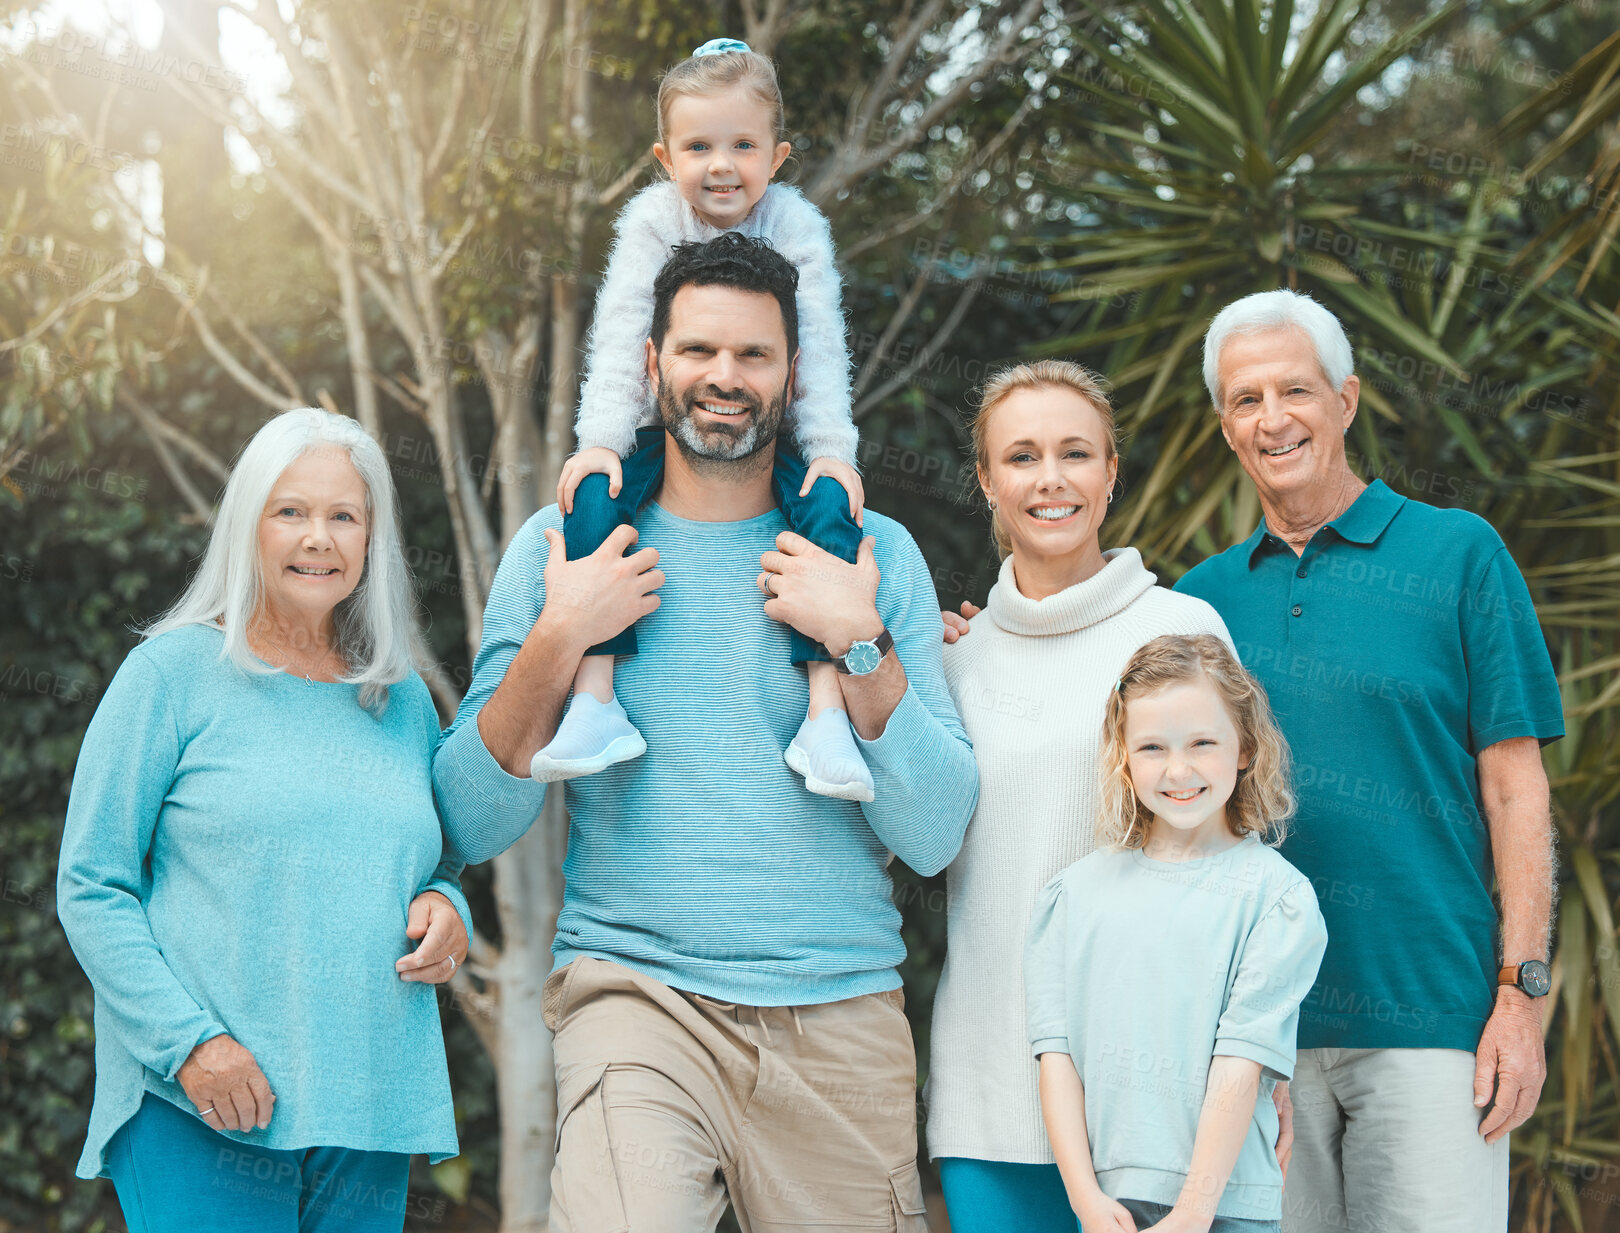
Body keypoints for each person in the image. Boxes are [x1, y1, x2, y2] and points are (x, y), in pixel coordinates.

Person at [431, 232, 977, 1231]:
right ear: (651, 364)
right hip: (636, 999)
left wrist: (859, 640)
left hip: (838, 1009)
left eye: (754, 355)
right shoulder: (562, 551)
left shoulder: (874, 558)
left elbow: (937, 833)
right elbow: (469, 817)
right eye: (697, 351)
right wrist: (560, 635)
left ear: (793, 375)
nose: (724, 378)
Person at [1174, 289, 1564, 1233]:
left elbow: (1515, 790)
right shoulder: (1198, 605)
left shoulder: (1460, 555)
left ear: (1346, 399)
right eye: (1245, 399)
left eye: (1295, 390)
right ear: (1226, 426)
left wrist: (1522, 997)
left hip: (1436, 1026)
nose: (1273, 419)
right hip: (1255, 1044)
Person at [56, 408, 472, 1232]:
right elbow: (91, 885)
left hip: (366, 1105)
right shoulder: (170, 675)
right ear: (249, 524)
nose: (317, 537)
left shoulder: (400, 700)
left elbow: (432, 865)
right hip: (206, 1103)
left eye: (342, 516)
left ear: (370, 540)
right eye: (291, 511)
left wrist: (447, 908)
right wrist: (189, 1045)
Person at [931, 361, 1249, 1232]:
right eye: (1022, 456)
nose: (1051, 478)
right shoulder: (951, 659)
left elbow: (1241, 868)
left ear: (1111, 472)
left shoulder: (1183, 633)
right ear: (987, 481)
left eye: (1076, 452)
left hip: (1154, 1098)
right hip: (990, 1089)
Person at [539, 36, 874, 801]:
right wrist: (599, 442)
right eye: (699, 146)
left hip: (774, 432)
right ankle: (596, 697)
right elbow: (626, 332)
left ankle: (825, 712)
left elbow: (816, 346)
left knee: (828, 509)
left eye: (743, 145)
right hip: (667, 429)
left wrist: (831, 449)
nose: (721, 165)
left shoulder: (796, 226)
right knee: (595, 494)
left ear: (778, 154)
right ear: (665, 156)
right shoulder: (653, 222)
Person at [1027, 633, 1328, 1233]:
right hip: (1107, 1203)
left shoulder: (1279, 898)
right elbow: (1055, 1055)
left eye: (1202, 743)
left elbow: (1241, 1063)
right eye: (1153, 747)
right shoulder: (1072, 896)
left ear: (1244, 748)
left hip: (1226, 1205)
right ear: (1124, 758)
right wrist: (1085, 1198)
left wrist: (1194, 1210)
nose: (1179, 770)